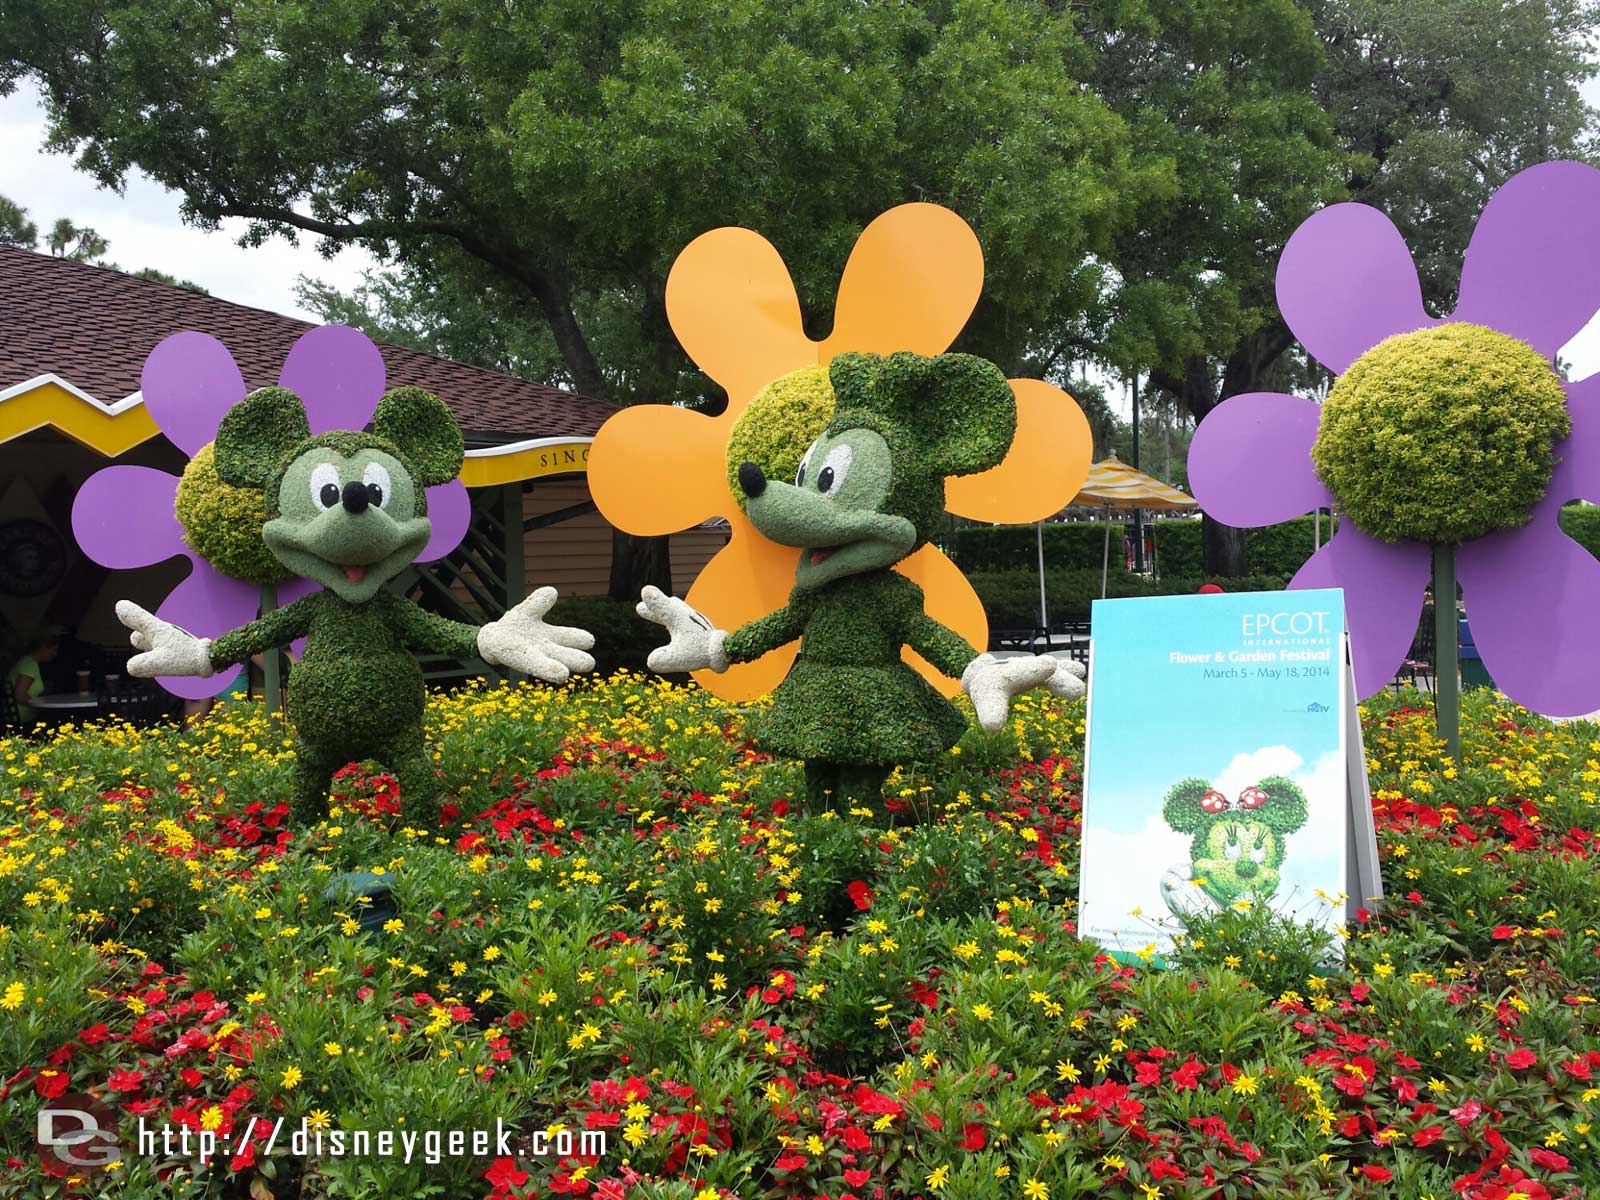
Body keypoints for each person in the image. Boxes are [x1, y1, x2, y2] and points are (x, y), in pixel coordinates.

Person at [7, 626, 62, 726]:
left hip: (23, 719)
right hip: (22, 721)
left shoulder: (26, 661)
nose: (55, 654)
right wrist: (40, 706)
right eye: (54, 650)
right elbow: (19, 695)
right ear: (44, 647)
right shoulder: (30, 665)